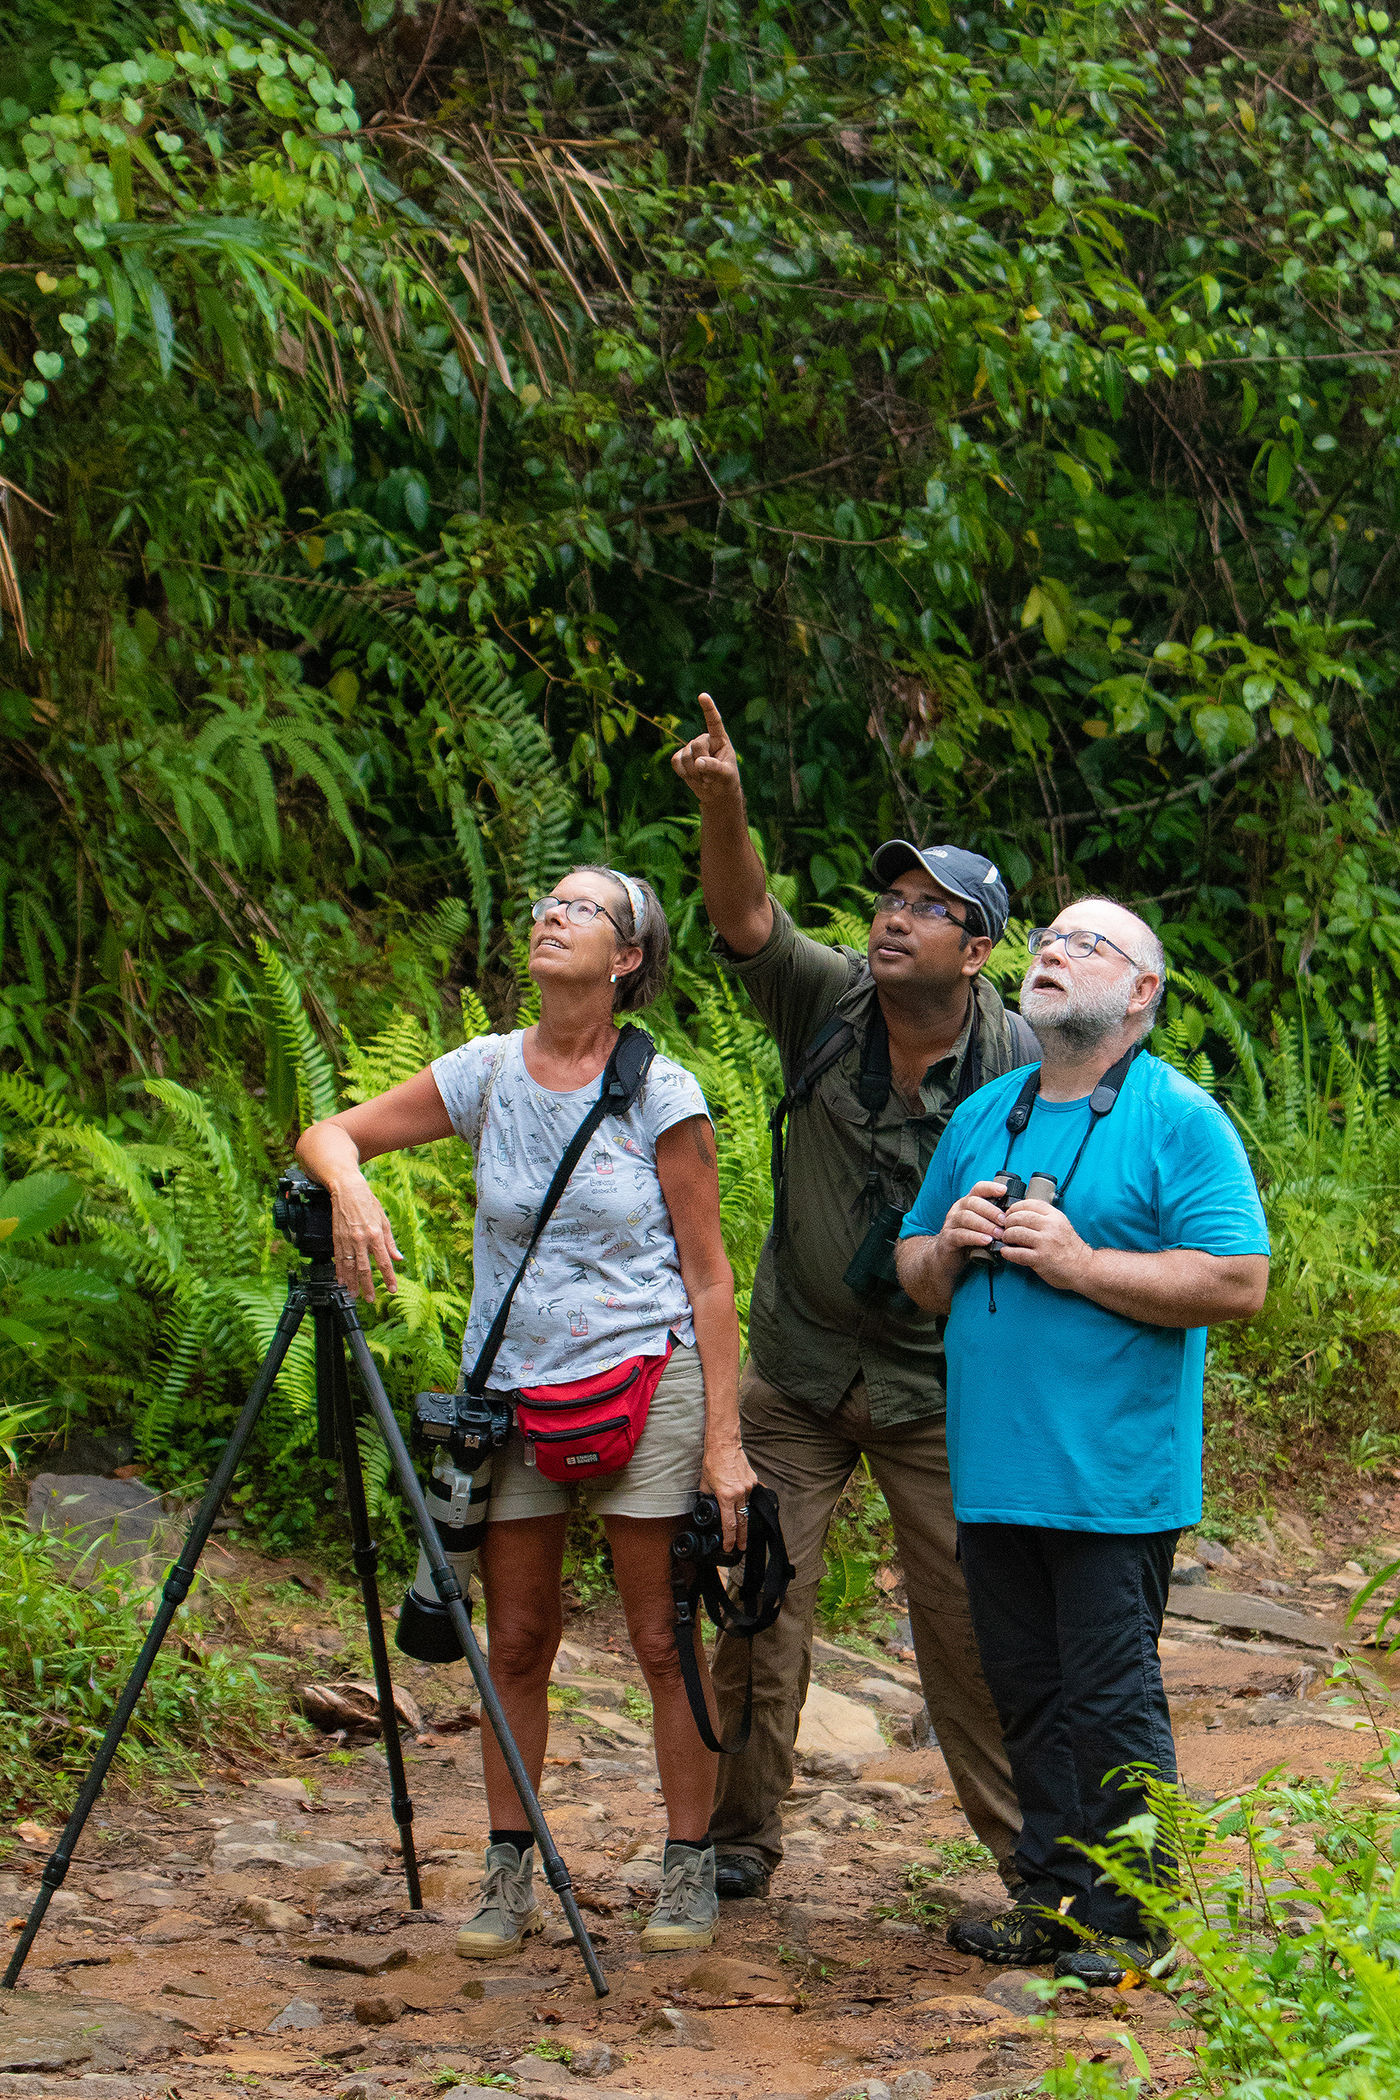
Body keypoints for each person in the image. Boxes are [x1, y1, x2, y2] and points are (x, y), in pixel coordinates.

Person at [295, 864, 757, 1958]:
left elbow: (710, 1278)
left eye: (583, 909)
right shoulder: (487, 1071)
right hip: (510, 1397)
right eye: (548, 903)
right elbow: (327, 1132)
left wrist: (723, 1444)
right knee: (517, 1643)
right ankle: (506, 1871)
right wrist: (350, 1184)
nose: (554, 916)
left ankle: (685, 1867)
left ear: (629, 957)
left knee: (660, 1638)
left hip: (649, 1379)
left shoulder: (662, 1092)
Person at [671, 694, 1037, 1901]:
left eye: (931, 909)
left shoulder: (1026, 1068)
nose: (895, 919)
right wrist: (723, 804)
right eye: (889, 898)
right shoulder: (822, 1003)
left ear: (976, 949)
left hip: (941, 1391)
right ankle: (735, 1845)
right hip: (799, 1370)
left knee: (970, 1633)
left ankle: (1031, 1866)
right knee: (756, 1609)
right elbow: (742, 916)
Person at [896, 895, 1270, 1984]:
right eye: (1046, 940)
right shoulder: (985, 1114)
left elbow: (1236, 1281)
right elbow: (914, 1274)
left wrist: (1075, 1262)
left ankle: (1135, 1919)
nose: (1051, 953)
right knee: (1026, 1695)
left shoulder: (1176, 1116)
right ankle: (1053, 1901)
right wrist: (951, 1243)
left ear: (1140, 992)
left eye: (1085, 945)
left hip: (1110, 1479)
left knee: (1108, 1704)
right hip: (993, 1469)